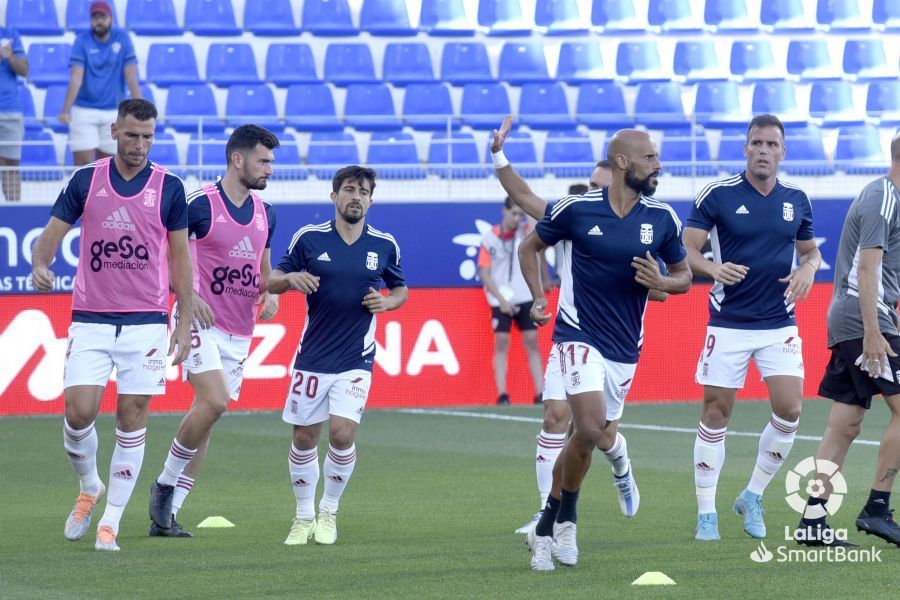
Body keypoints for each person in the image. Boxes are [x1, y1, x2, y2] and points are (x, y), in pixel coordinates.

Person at [516, 129, 691, 570]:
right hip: (577, 335)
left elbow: (685, 276)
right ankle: (568, 522)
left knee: (585, 438)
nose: (659, 165)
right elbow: (529, 246)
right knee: (589, 428)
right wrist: (539, 296)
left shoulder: (663, 218)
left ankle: (545, 528)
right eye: (650, 157)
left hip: (624, 348)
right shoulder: (576, 209)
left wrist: (663, 283)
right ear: (622, 162)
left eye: (658, 157)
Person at [30, 98, 193, 552]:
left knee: (131, 416)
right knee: (78, 413)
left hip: (146, 321)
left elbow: (180, 258)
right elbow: (49, 236)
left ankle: (112, 522)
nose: (140, 144)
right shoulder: (86, 180)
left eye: (148, 136)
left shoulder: (169, 187)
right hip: (91, 317)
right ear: (114, 130)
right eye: (132, 134)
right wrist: (41, 264)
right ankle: (89, 487)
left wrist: (181, 321)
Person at [491, 117, 666, 536]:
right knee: (555, 417)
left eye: (598, 184)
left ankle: (620, 461)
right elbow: (525, 194)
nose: (591, 190)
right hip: (571, 335)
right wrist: (498, 154)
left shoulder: (639, 222)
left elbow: (660, 289)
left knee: (597, 435)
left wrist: (654, 283)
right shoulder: (573, 215)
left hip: (618, 342)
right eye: (588, 183)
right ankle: (546, 515)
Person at [683, 114, 822, 542]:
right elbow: (685, 250)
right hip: (728, 323)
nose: (764, 150)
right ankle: (707, 513)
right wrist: (712, 268)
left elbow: (811, 253)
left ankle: (753, 494)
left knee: (791, 409)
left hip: (778, 322)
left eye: (772, 144)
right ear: (746, 148)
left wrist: (809, 270)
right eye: (756, 143)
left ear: (783, 151)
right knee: (715, 414)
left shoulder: (797, 199)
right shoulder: (718, 195)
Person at [147, 125, 281, 537]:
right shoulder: (200, 205)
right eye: (263, 160)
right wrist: (188, 299)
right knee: (216, 400)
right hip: (200, 321)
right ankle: (164, 485)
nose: (269, 169)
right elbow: (166, 260)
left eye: (271, 162)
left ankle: (169, 515)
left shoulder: (266, 213)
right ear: (237, 159)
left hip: (240, 330)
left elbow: (264, 270)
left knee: (206, 418)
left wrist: (273, 292)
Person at [268, 165, 408, 546]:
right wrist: (290, 280)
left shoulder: (384, 244)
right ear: (334, 196)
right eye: (349, 189)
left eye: (363, 192)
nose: (356, 197)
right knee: (304, 439)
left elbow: (400, 289)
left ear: (371, 200)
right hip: (313, 355)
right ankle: (302, 516)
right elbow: (272, 278)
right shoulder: (309, 239)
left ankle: (328, 511)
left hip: (356, 357)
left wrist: (388, 302)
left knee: (343, 435)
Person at [801, 133, 900, 547]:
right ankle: (877, 508)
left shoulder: (886, 197)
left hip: (858, 318)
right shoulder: (884, 195)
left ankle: (812, 520)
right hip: (864, 319)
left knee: (845, 423)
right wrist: (874, 332)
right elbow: (865, 268)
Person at [478, 197, 544, 406]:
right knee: (501, 344)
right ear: (504, 211)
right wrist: (500, 300)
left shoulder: (525, 234)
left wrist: (527, 204)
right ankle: (503, 394)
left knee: (532, 342)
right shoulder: (490, 238)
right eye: (513, 213)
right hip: (500, 300)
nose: (517, 218)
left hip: (525, 297)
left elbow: (538, 225)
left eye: (520, 214)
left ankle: (540, 392)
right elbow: (484, 273)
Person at [58, 1, 140, 167]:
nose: (99, 21)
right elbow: (76, 78)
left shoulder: (123, 39)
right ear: (90, 20)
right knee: (82, 169)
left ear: (111, 18)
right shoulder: (81, 41)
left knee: (110, 168)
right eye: (95, 17)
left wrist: (140, 110)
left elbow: (131, 77)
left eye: (102, 16)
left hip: (113, 110)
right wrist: (66, 111)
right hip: (84, 110)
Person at [0, 25, 28, 202]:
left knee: (10, 166)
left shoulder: (10, 34)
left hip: (10, 110)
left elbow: (24, 70)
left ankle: (14, 212)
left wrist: (9, 55)